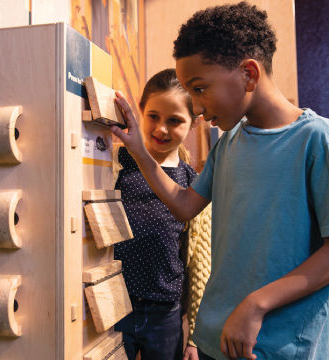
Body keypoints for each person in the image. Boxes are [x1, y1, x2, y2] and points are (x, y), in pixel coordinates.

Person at [110, 2, 329, 359]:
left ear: (249, 74)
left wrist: (256, 304)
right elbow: (184, 205)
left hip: (276, 347)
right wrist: (138, 150)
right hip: (216, 337)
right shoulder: (229, 143)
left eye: (199, 88)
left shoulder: (318, 140)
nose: (196, 107)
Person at [113, 68, 210, 360]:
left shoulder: (193, 184)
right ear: (140, 110)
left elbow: (200, 266)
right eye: (153, 116)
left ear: (193, 123)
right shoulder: (116, 165)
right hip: (114, 304)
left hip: (164, 314)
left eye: (175, 121)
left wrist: (195, 336)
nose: (161, 129)